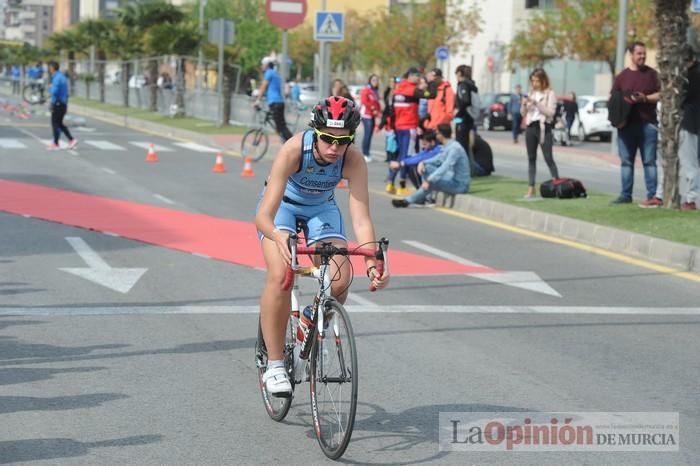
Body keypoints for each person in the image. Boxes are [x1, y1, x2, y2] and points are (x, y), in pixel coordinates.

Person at [254, 96, 390, 396]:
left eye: (342, 141)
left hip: (321, 209)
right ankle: (275, 364)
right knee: (281, 276)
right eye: (327, 139)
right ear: (315, 132)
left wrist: (371, 262)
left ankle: (309, 322)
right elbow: (263, 216)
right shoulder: (293, 150)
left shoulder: (353, 159)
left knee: (340, 280)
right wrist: (278, 236)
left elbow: (361, 216)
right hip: (282, 209)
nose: (334, 147)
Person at [610, 41, 661, 207]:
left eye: (644, 53)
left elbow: (662, 94)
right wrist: (617, 120)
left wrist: (645, 98)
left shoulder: (652, 74)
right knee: (626, 162)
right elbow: (613, 100)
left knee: (649, 162)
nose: (643, 56)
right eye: (639, 53)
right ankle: (625, 195)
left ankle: (652, 196)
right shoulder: (621, 77)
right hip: (626, 127)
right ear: (631, 55)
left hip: (648, 125)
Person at [391, 124, 470, 208]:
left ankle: (408, 201)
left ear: (441, 135)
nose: (435, 135)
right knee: (426, 167)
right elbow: (438, 159)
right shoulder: (448, 146)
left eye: (437, 133)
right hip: (451, 177)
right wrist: (423, 162)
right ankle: (422, 197)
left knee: (432, 182)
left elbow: (445, 167)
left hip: (459, 185)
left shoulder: (455, 148)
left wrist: (428, 180)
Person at [521, 68, 559, 198]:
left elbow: (551, 113)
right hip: (531, 127)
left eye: (537, 81)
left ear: (543, 80)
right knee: (531, 158)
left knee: (548, 157)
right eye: (532, 81)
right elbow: (523, 113)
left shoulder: (550, 93)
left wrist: (537, 103)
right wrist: (524, 105)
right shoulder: (530, 93)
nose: (534, 83)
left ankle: (557, 184)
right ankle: (531, 188)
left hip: (543, 127)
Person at [388, 67, 423, 195]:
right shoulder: (412, 89)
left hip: (398, 127)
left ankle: (390, 182)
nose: (418, 78)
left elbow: (391, 110)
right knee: (406, 157)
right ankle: (402, 185)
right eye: (417, 75)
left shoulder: (397, 89)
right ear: (410, 76)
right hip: (409, 127)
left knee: (400, 155)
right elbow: (429, 95)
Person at [679, 50, 700, 211]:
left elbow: (682, 98)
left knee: (690, 162)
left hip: (691, 122)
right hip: (693, 122)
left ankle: (691, 200)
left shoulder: (689, 76)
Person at [255, 56, 293, 142]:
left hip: (274, 102)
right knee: (281, 126)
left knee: (281, 127)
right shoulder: (275, 73)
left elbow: (263, 86)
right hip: (279, 102)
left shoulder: (268, 73)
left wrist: (257, 100)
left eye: (263, 64)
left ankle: (292, 144)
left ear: (267, 65)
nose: (262, 66)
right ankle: (287, 142)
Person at [47, 61, 78, 151]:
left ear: (52, 68)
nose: (49, 70)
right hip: (63, 103)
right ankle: (71, 140)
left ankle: (56, 143)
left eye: (49, 68)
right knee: (59, 124)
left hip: (58, 103)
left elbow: (54, 92)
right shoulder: (62, 77)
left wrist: (50, 87)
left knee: (55, 124)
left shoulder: (56, 78)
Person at [454, 64, 479, 168]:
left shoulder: (463, 85)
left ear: (460, 73)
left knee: (461, 146)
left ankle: (463, 170)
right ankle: (467, 169)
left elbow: (465, 101)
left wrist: (457, 113)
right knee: (466, 146)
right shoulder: (472, 85)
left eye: (456, 73)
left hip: (463, 119)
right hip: (470, 118)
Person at [359, 74, 382, 163]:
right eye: (373, 80)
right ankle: (365, 154)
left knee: (370, 135)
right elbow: (364, 101)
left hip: (372, 115)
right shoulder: (366, 90)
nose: (375, 82)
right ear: (370, 81)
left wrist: (379, 111)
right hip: (366, 115)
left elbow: (377, 103)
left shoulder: (375, 91)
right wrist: (373, 109)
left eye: (376, 80)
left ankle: (367, 153)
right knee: (367, 135)